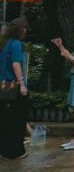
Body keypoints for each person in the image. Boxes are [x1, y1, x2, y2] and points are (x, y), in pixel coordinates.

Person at [0, 18, 30, 160]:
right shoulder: (17, 44)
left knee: (5, 119)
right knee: (17, 120)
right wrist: (22, 84)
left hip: (4, 87)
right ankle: (15, 151)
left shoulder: (7, 43)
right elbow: (16, 64)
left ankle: (5, 150)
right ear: (22, 30)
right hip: (14, 88)